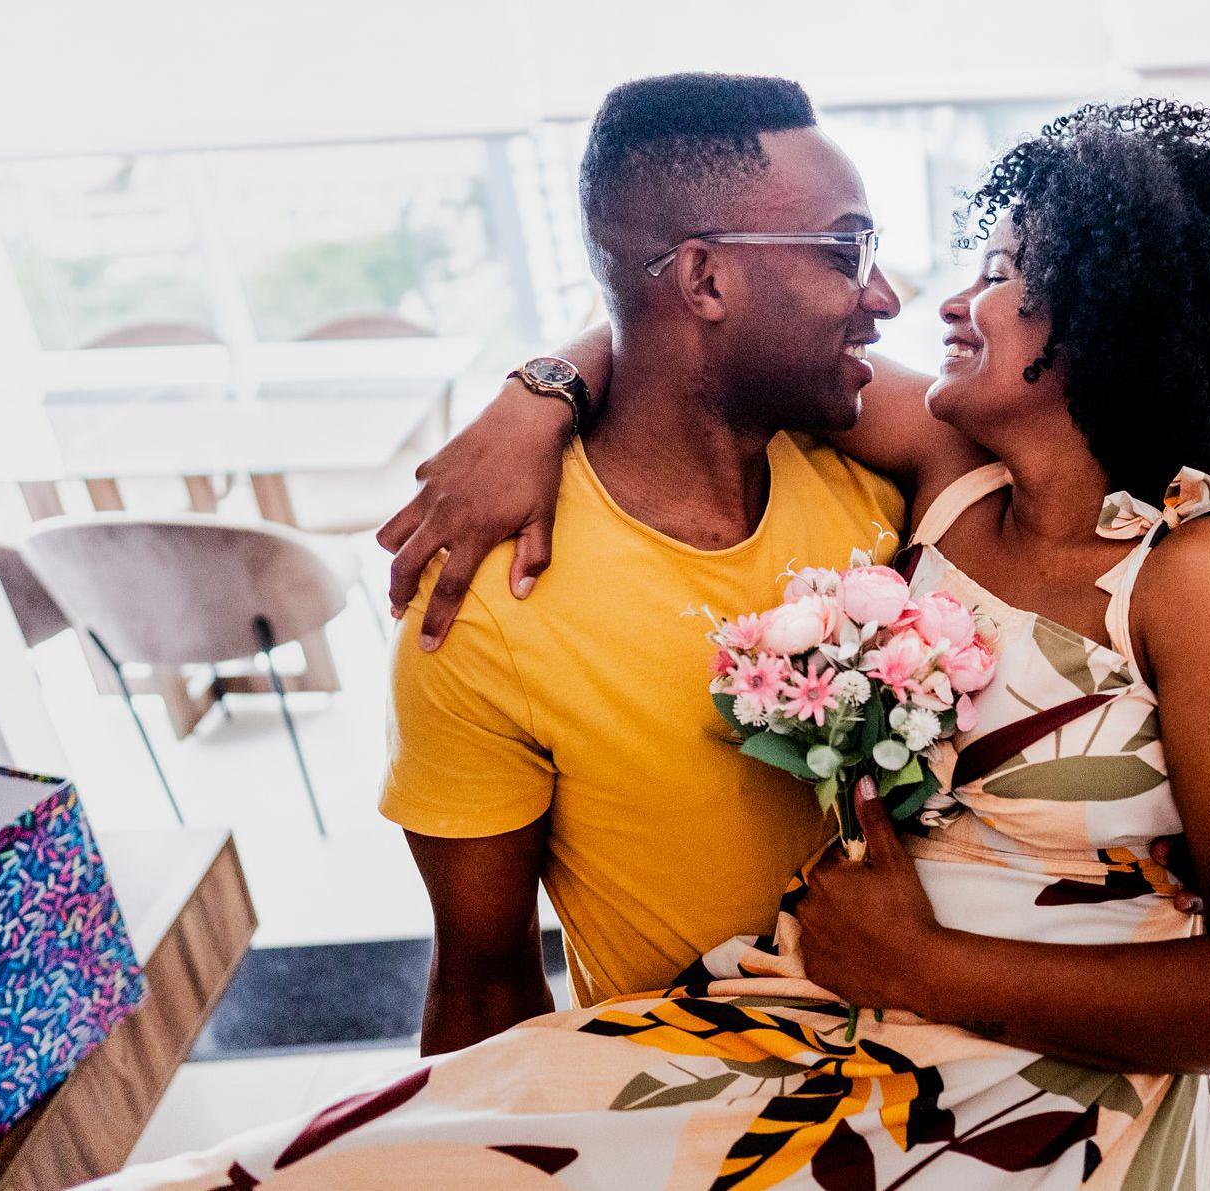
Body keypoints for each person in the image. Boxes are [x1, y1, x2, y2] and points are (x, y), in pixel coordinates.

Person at [103, 95, 1210, 1189]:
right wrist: (532, 395)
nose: (942, 303)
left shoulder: (1204, 581)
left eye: (1004, 270)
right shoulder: (951, 474)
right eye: (882, 256)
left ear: (1102, 321)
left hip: (1042, 1088)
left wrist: (926, 966)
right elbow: (679, 339)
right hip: (809, 1021)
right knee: (345, 1160)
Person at [378, 73, 913, 1053]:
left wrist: (541, 384)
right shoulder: (488, 607)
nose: (884, 294)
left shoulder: (874, 471)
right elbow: (485, 996)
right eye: (847, 250)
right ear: (706, 280)